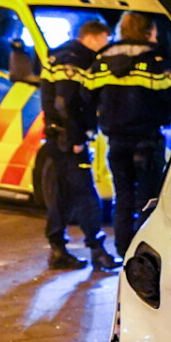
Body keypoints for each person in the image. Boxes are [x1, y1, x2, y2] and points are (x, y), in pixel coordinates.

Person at [90, 12, 171, 255]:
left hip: (116, 141)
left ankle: (123, 249)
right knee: (147, 200)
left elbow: (85, 95)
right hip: (146, 140)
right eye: (153, 32)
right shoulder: (154, 61)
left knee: (122, 197)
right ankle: (144, 253)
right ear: (146, 33)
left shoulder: (102, 60)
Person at [39, 19, 120, 271]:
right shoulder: (73, 58)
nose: (105, 46)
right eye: (105, 40)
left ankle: (58, 249)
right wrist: (76, 138)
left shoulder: (61, 55)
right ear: (93, 37)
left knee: (62, 194)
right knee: (85, 193)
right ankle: (97, 250)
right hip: (67, 138)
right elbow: (65, 102)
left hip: (59, 136)